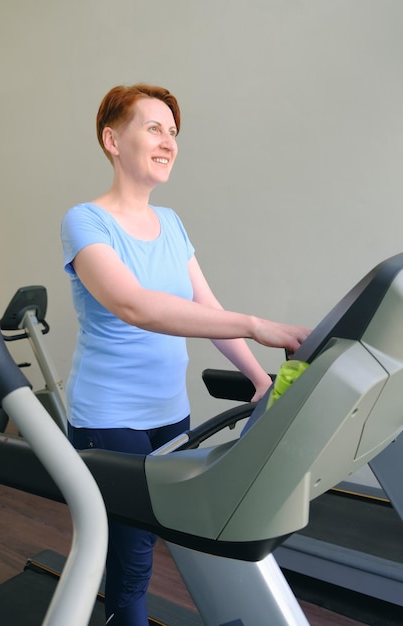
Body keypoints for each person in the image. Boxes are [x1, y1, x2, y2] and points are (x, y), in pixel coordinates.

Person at [61, 83, 310, 626]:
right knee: (131, 560)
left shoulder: (171, 223)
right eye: (154, 127)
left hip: (171, 413)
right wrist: (256, 324)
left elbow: (207, 310)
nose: (168, 141)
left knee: (151, 545)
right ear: (112, 139)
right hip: (109, 421)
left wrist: (258, 379)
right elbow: (135, 306)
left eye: (173, 133)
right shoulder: (85, 221)